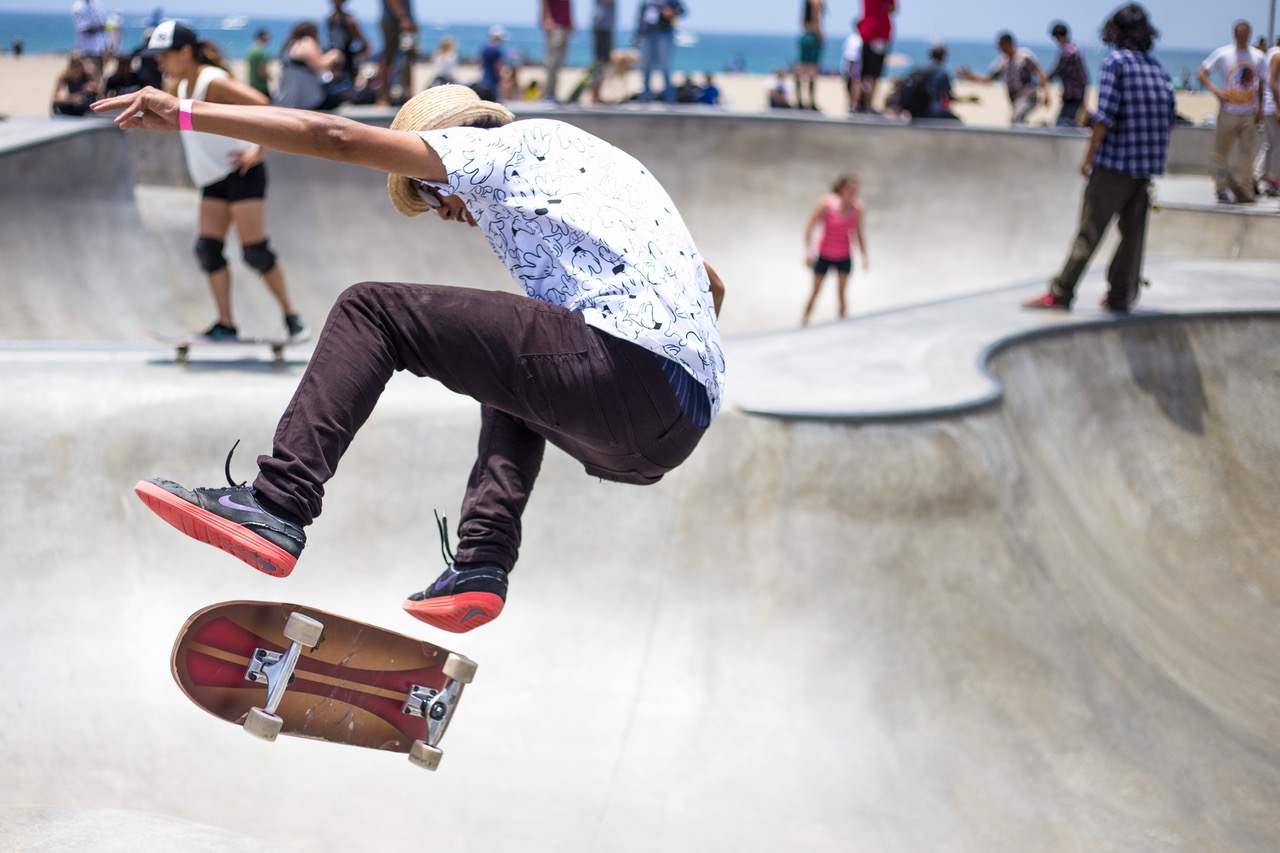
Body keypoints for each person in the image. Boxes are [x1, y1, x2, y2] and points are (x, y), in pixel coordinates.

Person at [94, 83, 726, 635]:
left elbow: (333, 135)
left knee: (372, 310)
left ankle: (277, 503)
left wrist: (183, 113)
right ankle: (482, 561)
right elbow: (712, 287)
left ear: (446, 147)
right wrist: (649, 384)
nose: (442, 211)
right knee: (509, 367)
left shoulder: (495, 148)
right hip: (673, 429)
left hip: (616, 368)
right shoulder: (591, 170)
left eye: (428, 190)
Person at [142, 21, 307, 342]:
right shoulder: (180, 86)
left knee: (255, 252)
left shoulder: (211, 81)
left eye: (164, 54)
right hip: (214, 178)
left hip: (242, 172)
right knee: (208, 250)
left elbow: (262, 103)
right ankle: (226, 324)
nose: (158, 62)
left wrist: (259, 150)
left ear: (186, 52)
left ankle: (293, 319)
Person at [1023, 4, 1175, 314]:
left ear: (1114, 31)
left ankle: (1061, 292)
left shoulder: (1116, 63)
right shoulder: (1155, 67)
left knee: (1089, 231)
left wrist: (1089, 155)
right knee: (1132, 237)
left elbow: (1105, 116)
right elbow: (1169, 115)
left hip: (1115, 163)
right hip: (1146, 166)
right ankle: (1121, 296)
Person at [1197, 21, 1265, 203]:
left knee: (1248, 153)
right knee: (1220, 152)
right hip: (1228, 111)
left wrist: (1260, 109)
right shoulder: (1223, 53)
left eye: (1245, 35)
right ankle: (1220, 187)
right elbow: (1202, 72)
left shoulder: (1257, 56)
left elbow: (1262, 83)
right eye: (1239, 35)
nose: (1242, 38)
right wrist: (1217, 91)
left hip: (1248, 112)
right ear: (1234, 34)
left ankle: (1246, 188)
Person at [802, 175, 867, 324]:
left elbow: (859, 233)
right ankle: (804, 321)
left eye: (855, 190)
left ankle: (842, 323)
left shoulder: (857, 209)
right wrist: (808, 251)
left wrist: (864, 256)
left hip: (844, 255)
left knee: (842, 293)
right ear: (841, 189)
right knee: (815, 291)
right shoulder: (827, 203)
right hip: (824, 254)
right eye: (850, 189)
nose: (853, 193)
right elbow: (809, 226)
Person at [958, 32, 1049, 126]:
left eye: (1001, 46)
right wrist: (972, 76)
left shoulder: (1025, 56)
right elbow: (988, 79)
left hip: (1028, 95)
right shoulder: (1002, 62)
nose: (1000, 49)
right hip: (1015, 99)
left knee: (1016, 118)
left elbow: (1040, 73)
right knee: (1017, 120)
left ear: (1008, 43)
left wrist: (1046, 93)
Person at [274, 21, 345, 111]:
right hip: (307, 101)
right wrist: (334, 55)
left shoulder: (291, 44)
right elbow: (319, 67)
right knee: (341, 96)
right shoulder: (306, 42)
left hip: (288, 99)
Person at [900, 44, 964, 122]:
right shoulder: (940, 72)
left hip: (915, 111)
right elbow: (947, 95)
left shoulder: (919, 69)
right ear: (943, 56)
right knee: (957, 122)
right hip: (931, 111)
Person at [636, 1, 685, 103]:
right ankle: (646, 95)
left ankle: (669, 96)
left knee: (665, 66)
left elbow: (682, 11)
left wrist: (671, 12)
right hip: (647, 35)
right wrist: (637, 36)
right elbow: (641, 17)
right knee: (645, 66)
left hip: (664, 34)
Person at [855, 0, 896, 112]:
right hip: (879, 32)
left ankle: (857, 102)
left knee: (864, 72)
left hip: (866, 31)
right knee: (873, 73)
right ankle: (868, 104)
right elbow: (892, 8)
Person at [1047, 21, 1088, 127]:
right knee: (1066, 122)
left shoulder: (1068, 52)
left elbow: (1059, 70)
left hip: (1073, 94)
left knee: (1065, 124)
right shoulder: (1074, 49)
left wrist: (1045, 79)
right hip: (1075, 93)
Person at [377, 0, 416, 106]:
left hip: (400, 18)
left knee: (408, 56)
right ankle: (383, 95)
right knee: (389, 58)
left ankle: (408, 96)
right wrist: (403, 18)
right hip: (393, 20)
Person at [326, 0, 369, 91]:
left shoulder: (349, 20)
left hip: (347, 61)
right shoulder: (330, 19)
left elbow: (362, 42)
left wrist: (354, 55)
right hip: (334, 60)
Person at [1258, 39, 1280, 196]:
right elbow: (1272, 83)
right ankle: (1272, 180)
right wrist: (1279, 107)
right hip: (1273, 107)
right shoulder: (1277, 56)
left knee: (1270, 143)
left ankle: (1258, 174)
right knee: (1277, 145)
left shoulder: (1270, 53)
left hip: (1269, 106)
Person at [541, 0, 573, 103]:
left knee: (558, 62)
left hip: (564, 25)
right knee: (552, 62)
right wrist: (546, 18)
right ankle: (548, 94)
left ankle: (552, 93)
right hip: (555, 25)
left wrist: (570, 22)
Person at [795, 0, 824, 111]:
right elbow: (815, 20)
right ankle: (810, 102)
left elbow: (802, 20)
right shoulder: (816, 1)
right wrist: (820, 35)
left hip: (804, 34)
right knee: (812, 71)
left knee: (801, 69)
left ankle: (799, 101)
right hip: (812, 36)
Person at [587, 0, 615, 105]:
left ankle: (597, 94)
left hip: (605, 27)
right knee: (600, 62)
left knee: (603, 62)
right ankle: (595, 94)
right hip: (601, 27)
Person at [70, 0, 108, 73]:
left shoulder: (95, 3)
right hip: (87, 51)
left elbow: (102, 32)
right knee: (91, 78)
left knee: (99, 79)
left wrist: (105, 48)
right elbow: (84, 28)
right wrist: (100, 27)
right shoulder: (78, 7)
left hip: (99, 51)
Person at [478, 26, 507, 100]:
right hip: (493, 78)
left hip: (485, 77)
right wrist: (500, 77)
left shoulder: (485, 47)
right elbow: (498, 65)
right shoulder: (497, 49)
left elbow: (480, 62)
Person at [840, 20, 862, 113]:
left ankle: (853, 105)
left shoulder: (852, 37)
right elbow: (851, 56)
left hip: (850, 67)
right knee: (853, 87)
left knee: (851, 87)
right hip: (854, 67)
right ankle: (853, 105)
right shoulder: (856, 38)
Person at [245, 29, 271, 98]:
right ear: (262, 37)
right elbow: (261, 72)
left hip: (252, 84)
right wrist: (270, 76)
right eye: (267, 36)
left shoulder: (251, 50)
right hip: (261, 87)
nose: (269, 38)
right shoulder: (261, 52)